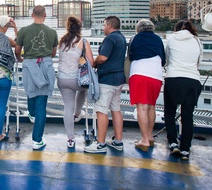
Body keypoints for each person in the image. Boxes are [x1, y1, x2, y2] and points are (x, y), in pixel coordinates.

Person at [15, 5, 58, 150]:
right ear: (45, 15)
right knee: (42, 103)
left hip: (29, 65)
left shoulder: (24, 31)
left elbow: (17, 49)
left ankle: (31, 113)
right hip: (46, 66)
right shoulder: (52, 32)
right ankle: (37, 140)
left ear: (32, 15)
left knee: (30, 92)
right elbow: (53, 53)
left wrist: (20, 58)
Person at [84, 16, 126, 154]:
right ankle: (118, 141)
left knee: (101, 111)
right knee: (116, 109)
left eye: (104, 25)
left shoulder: (110, 39)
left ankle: (100, 144)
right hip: (119, 79)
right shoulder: (121, 38)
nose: (103, 28)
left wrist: (94, 64)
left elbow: (103, 57)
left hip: (107, 80)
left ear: (109, 25)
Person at [164, 20, 202, 160]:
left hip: (173, 78)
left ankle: (173, 143)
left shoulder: (171, 39)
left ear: (176, 29)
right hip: (192, 80)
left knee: (169, 113)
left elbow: (167, 59)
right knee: (187, 116)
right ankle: (185, 149)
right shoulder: (197, 40)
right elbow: (199, 61)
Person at [57, 16, 94, 148]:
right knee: (83, 88)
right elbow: (91, 61)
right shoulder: (83, 41)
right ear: (79, 28)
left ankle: (70, 139)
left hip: (62, 78)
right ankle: (78, 113)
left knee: (68, 107)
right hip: (76, 79)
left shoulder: (62, 41)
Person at [129, 19, 165, 151]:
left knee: (142, 108)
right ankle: (149, 137)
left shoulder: (135, 38)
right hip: (156, 76)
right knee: (151, 107)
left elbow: (131, 55)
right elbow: (163, 59)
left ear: (138, 29)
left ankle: (143, 140)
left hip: (139, 73)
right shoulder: (158, 39)